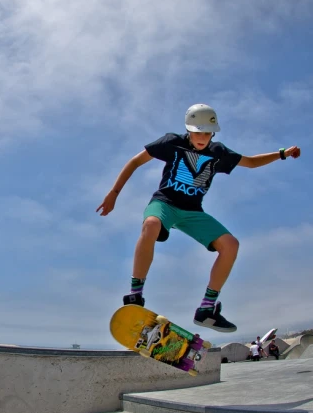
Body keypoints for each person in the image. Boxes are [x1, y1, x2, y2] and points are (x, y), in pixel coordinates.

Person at [96, 103, 301, 333]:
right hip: (164, 203)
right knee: (151, 224)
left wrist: (282, 153)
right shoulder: (171, 142)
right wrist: (113, 194)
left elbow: (251, 162)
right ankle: (135, 295)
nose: (202, 138)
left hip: (193, 211)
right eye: (197, 132)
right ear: (188, 130)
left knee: (231, 244)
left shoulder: (218, 152)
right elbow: (135, 161)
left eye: (207, 133)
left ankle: (207, 309)